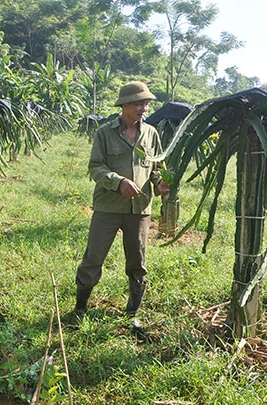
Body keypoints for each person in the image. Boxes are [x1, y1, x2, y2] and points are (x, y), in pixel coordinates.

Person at [71, 81, 170, 335]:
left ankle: (133, 314)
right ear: (124, 105)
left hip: (139, 208)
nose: (143, 107)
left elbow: (156, 168)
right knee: (93, 257)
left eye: (146, 103)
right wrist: (119, 182)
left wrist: (160, 185)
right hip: (109, 206)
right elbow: (96, 167)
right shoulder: (105, 133)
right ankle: (80, 309)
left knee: (137, 260)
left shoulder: (151, 133)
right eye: (138, 103)